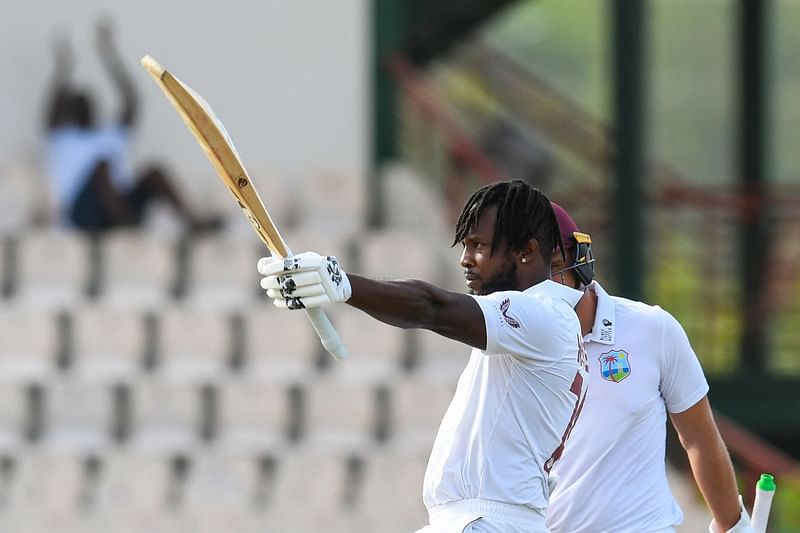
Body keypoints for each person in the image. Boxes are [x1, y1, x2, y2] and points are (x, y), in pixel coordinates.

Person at [258, 180, 588, 533]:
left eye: (478, 246)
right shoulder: (539, 324)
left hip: (488, 522)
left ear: (526, 252)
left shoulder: (543, 314)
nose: (464, 259)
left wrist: (340, 283)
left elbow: (431, 308)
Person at [545, 202, 754, 533]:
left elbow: (699, 437)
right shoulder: (513, 346)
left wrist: (736, 528)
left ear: (580, 263)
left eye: (554, 268)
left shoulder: (653, 329)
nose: (544, 287)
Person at [44, 19, 219, 233]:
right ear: (68, 110)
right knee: (102, 166)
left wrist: (108, 54)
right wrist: (64, 67)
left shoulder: (110, 135)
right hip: (82, 214)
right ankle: (127, 224)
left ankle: (193, 223)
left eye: (87, 103)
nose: (84, 108)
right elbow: (52, 107)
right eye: (77, 104)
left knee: (155, 172)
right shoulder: (63, 139)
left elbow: (131, 100)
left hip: (119, 205)